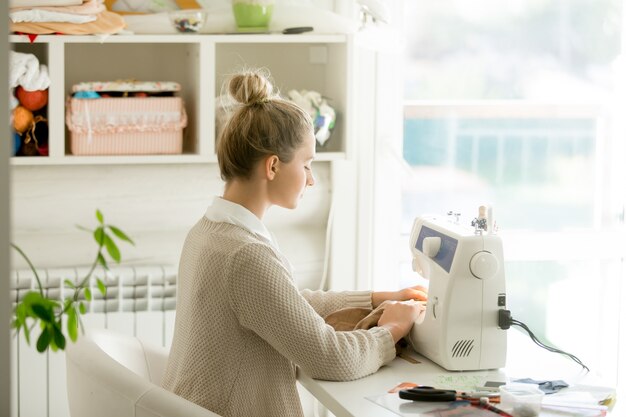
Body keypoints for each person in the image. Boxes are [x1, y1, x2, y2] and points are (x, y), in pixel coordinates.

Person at [161, 69, 427, 417]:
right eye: (307, 163)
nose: (312, 179)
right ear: (272, 166)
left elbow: (285, 304)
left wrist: (378, 298)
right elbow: (329, 358)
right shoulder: (244, 254)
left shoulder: (211, 231)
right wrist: (392, 330)